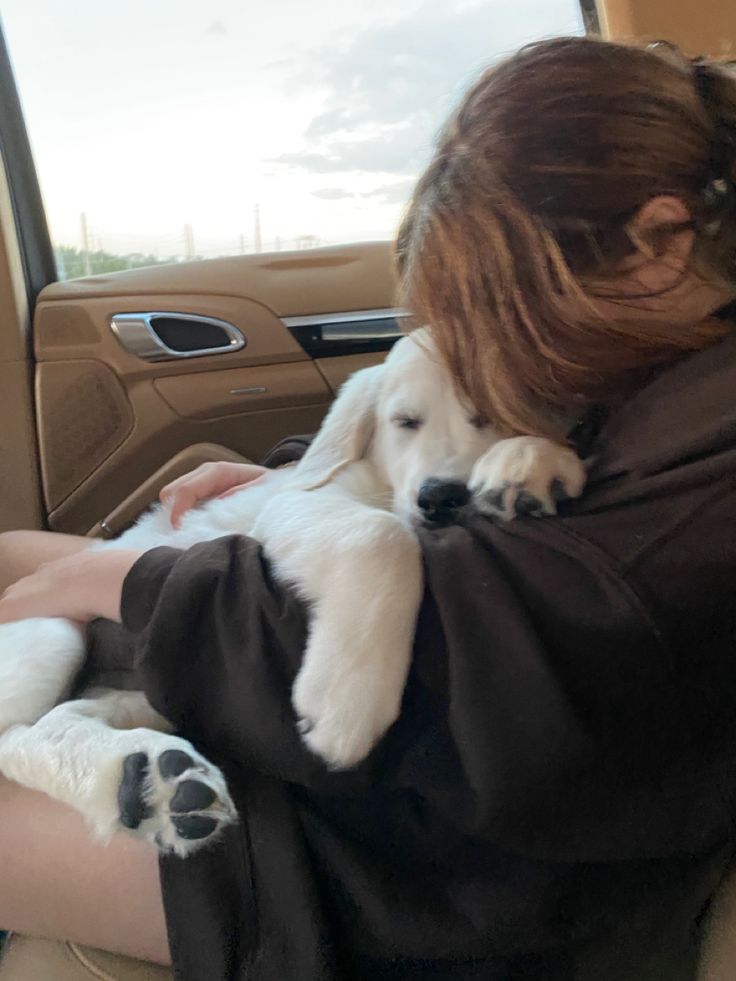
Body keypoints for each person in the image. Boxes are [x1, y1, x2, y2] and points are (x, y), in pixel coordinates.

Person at [2, 34, 736, 980]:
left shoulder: (703, 465)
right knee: (19, 555)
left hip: (426, 865)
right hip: (401, 785)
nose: (495, 364)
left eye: (502, 324)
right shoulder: (661, 373)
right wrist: (283, 487)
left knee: (50, 589)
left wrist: (130, 580)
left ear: (662, 244)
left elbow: (463, 662)